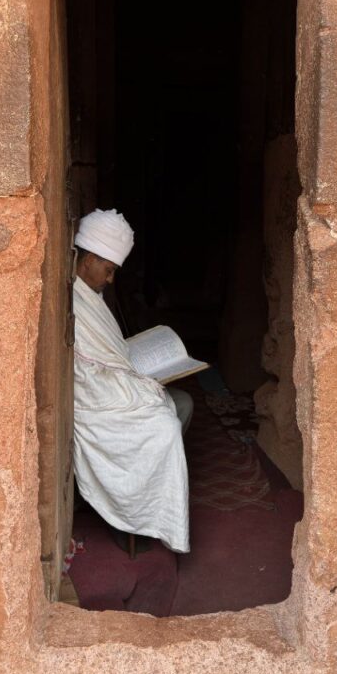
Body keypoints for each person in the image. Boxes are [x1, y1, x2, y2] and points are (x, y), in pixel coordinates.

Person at [72, 208, 192, 553]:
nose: (110, 280)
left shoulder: (90, 295)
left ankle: (146, 495)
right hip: (98, 402)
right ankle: (128, 514)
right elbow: (87, 375)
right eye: (109, 270)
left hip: (118, 385)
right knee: (165, 427)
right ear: (89, 260)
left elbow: (108, 355)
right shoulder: (73, 298)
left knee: (181, 405)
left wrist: (137, 374)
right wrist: (139, 383)